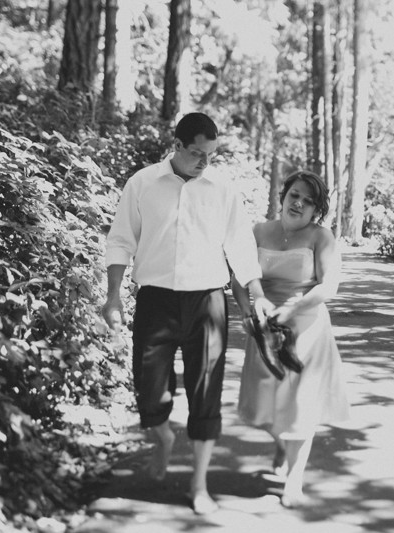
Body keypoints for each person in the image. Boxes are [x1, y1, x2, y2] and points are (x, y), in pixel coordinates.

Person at [102, 112, 272, 515]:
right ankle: (162, 437)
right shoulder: (142, 183)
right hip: (155, 301)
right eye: (197, 153)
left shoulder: (222, 189)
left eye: (211, 154)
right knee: (147, 386)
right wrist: (112, 297)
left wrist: (257, 292)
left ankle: (199, 484)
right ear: (176, 145)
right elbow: (121, 239)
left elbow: (240, 247)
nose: (204, 162)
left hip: (207, 302)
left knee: (205, 391)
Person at [232, 170, 350, 508]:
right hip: (266, 326)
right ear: (283, 196)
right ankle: (282, 443)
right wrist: (246, 310)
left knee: (301, 404)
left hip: (306, 327)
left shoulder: (321, 237)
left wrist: (292, 309)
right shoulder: (258, 231)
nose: (298, 203)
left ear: (316, 210)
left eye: (308, 201)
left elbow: (328, 287)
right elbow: (239, 275)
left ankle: (294, 478)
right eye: (294, 195)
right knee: (263, 403)